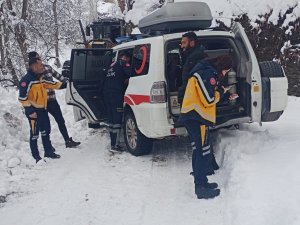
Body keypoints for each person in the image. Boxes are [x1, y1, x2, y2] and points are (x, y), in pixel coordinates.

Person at [179, 55, 233, 199]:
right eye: (226, 71)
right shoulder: (207, 73)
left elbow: (206, 94)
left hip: (195, 117)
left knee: (199, 150)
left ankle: (202, 181)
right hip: (195, 117)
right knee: (201, 152)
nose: (225, 74)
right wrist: (222, 92)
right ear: (223, 67)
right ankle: (200, 187)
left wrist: (222, 93)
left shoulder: (204, 71)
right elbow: (209, 99)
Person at [28, 51, 81, 148]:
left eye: (39, 57)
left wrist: (70, 83)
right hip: (41, 104)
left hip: (52, 101)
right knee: (45, 125)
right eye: (37, 59)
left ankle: (67, 140)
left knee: (61, 120)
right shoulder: (31, 75)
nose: (40, 60)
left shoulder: (47, 68)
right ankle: (48, 146)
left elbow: (59, 77)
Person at [18, 57, 66, 163]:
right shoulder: (26, 80)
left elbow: (51, 84)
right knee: (35, 134)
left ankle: (48, 151)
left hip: (43, 110)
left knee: (46, 131)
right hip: (33, 112)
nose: (43, 67)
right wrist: (30, 111)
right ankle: (36, 156)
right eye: (41, 65)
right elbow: (22, 98)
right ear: (34, 66)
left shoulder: (40, 78)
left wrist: (65, 84)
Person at [103, 51, 131, 153]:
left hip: (107, 96)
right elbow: (132, 73)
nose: (128, 61)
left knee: (111, 122)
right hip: (116, 95)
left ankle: (113, 143)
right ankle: (115, 145)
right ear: (125, 57)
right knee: (117, 121)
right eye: (128, 59)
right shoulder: (123, 63)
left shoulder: (110, 66)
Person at [178, 31, 208, 105]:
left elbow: (190, 81)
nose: (182, 46)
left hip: (192, 98)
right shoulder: (191, 56)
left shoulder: (196, 58)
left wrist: (181, 96)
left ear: (192, 43)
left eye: (184, 43)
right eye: (181, 43)